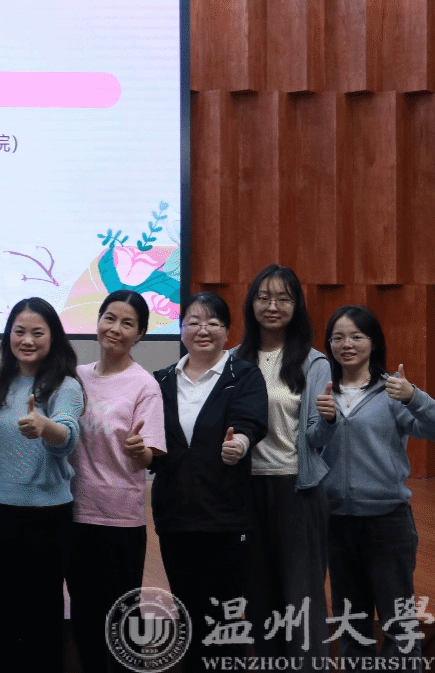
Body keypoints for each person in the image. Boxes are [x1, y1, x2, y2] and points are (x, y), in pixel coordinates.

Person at [150, 292, 267, 673]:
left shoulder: (243, 375)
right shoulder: (161, 381)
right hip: (175, 516)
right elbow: (154, 444)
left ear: (227, 331)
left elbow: (250, 423)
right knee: (188, 613)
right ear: (181, 329)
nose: (204, 330)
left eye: (213, 322)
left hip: (226, 517)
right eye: (194, 322)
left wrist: (240, 444)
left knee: (226, 617)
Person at [311, 305, 435, 660]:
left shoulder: (392, 391)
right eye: (337, 338)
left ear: (373, 342)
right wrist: (325, 422)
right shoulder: (323, 391)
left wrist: (414, 397)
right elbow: (311, 443)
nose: (346, 344)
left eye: (356, 336)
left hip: (387, 522)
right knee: (352, 624)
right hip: (338, 522)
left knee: (399, 626)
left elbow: (432, 428)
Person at [0, 296, 82, 673]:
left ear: (53, 337)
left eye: (38, 332)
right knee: (1, 612)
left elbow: (67, 436)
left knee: (43, 615)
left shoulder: (66, 385)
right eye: (20, 331)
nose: (28, 340)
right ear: (9, 336)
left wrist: (44, 426)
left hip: (48, 516)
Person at [232, 265, 332, 662]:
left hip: (297, 489)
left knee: (302, 598)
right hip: (246, 491)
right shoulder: (232, 360)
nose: (272, 306)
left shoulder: (313, 362)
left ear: (297, 306)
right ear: (251, 303)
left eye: (283, 299)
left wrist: (329, 421)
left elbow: (317, 439)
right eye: (264, 297)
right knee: (259, 598)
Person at [66, 290, 166, 673]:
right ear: (97, 322)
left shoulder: (144, 386)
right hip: (75, 514)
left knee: (122, 620)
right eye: (109, 318)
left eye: (127, 323)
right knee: (85, 617)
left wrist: (140, 450)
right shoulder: (76, 378)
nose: (115, 328)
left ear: (139, 334)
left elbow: (147, 457)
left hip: (120, 520)